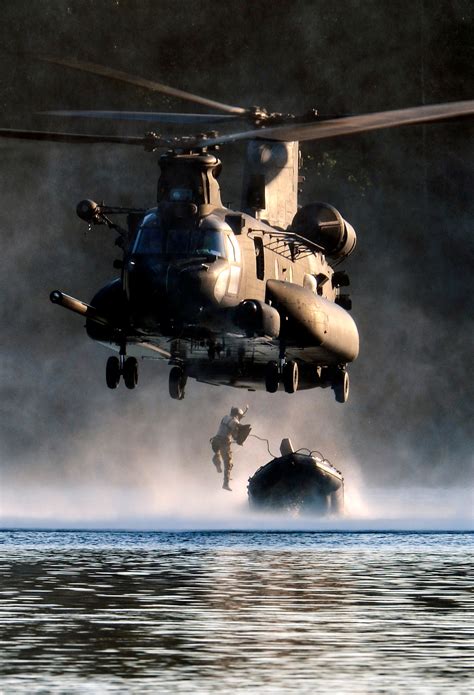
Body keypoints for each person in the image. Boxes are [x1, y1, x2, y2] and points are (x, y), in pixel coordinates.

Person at [211, 405, 251, 491]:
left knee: (217, 452)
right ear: (238, 415)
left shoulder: (225, 417)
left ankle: (216, 460)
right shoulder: (235, 422)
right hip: (223, 443)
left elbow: (228, 429)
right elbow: (235, 435)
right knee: (228, 463)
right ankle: (226, 483)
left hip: (215, 441)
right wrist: (240, 439)